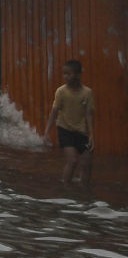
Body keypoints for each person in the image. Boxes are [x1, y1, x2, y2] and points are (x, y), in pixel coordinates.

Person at [52, 59, 97, 187]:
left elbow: (89, 115)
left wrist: (91, 135)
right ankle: (66, 188)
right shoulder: (61, 91)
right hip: (65, 129)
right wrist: (46, 131)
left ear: (77, 75)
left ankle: (84, 189)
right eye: (64, 73)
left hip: (81, 131)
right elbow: (54, 112)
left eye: (68, 74)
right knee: (72, 160)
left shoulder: (87, 92)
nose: (65, 76)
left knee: (87, 163)